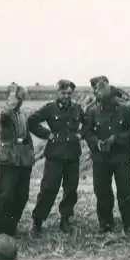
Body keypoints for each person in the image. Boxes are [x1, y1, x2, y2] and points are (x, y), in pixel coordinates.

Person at [28, 79, 84, 234]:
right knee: (48, 189)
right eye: (63, 92)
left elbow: (87, 124)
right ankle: (38, 221)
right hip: (55, 155)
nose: (66, 96)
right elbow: (31, 122)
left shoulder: (77, 108)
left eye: (69, 93)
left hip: (73, 155)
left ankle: (65, 220)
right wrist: (48, 134)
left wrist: (80, 134)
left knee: (71, 189)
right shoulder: (50, 108)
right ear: (57, 92)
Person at [84, 83, 130, 234]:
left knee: (125, 191)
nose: (106, 104)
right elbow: (87, 132)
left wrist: (116, 139)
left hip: (121, 157)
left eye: (109, 101)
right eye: (103, 101)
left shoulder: (125, 110)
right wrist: (96, 142)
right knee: (102, 191)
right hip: (101, 159)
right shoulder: (92, 111)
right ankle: (105, 222)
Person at [0, 83, 34, 237]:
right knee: (6, 196)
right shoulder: (3, 111)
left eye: (21, 97)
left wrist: (31, 152)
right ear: (9, 98)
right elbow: (3, 116)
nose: (20, 100)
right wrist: (10, 102)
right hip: (8, 159)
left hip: (23, 160)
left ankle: (12, 227)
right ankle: (1, 232)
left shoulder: (22, 115)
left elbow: (27, 136)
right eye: (17, 97)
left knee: (22, 195)